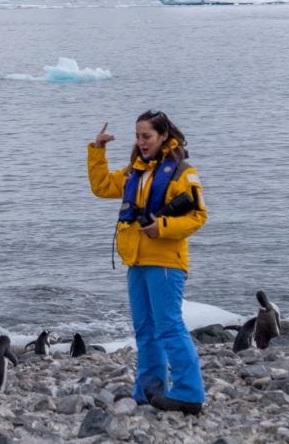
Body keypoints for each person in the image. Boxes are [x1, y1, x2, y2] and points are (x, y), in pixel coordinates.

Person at [87, 110, 207, 415]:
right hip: (137, 261)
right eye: (138, 136)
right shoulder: (135, 172)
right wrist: (98, 149)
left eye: (147, 136)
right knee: (145, 328)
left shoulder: (182, 173)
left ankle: (189, 393)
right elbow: (101, 186)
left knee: (169, 326)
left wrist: (162, 228)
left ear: (163, 136)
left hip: (166, 261)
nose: (141, 142)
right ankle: (148, 390)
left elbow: (198, 216)